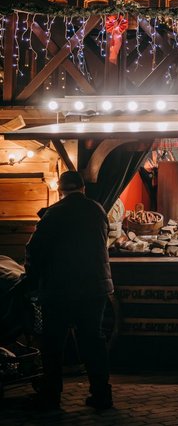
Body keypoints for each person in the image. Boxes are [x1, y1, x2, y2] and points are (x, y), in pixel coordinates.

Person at [25, 171, 113, 410]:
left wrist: (32, 279)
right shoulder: (97, 211)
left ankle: (51, 395)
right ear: (83, 188)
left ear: (60, 190)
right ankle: (101, 394)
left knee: (53, 343)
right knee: (93, 341)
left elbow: (35, 251)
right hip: (95, 287)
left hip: (59, 288)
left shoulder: (53, 214)